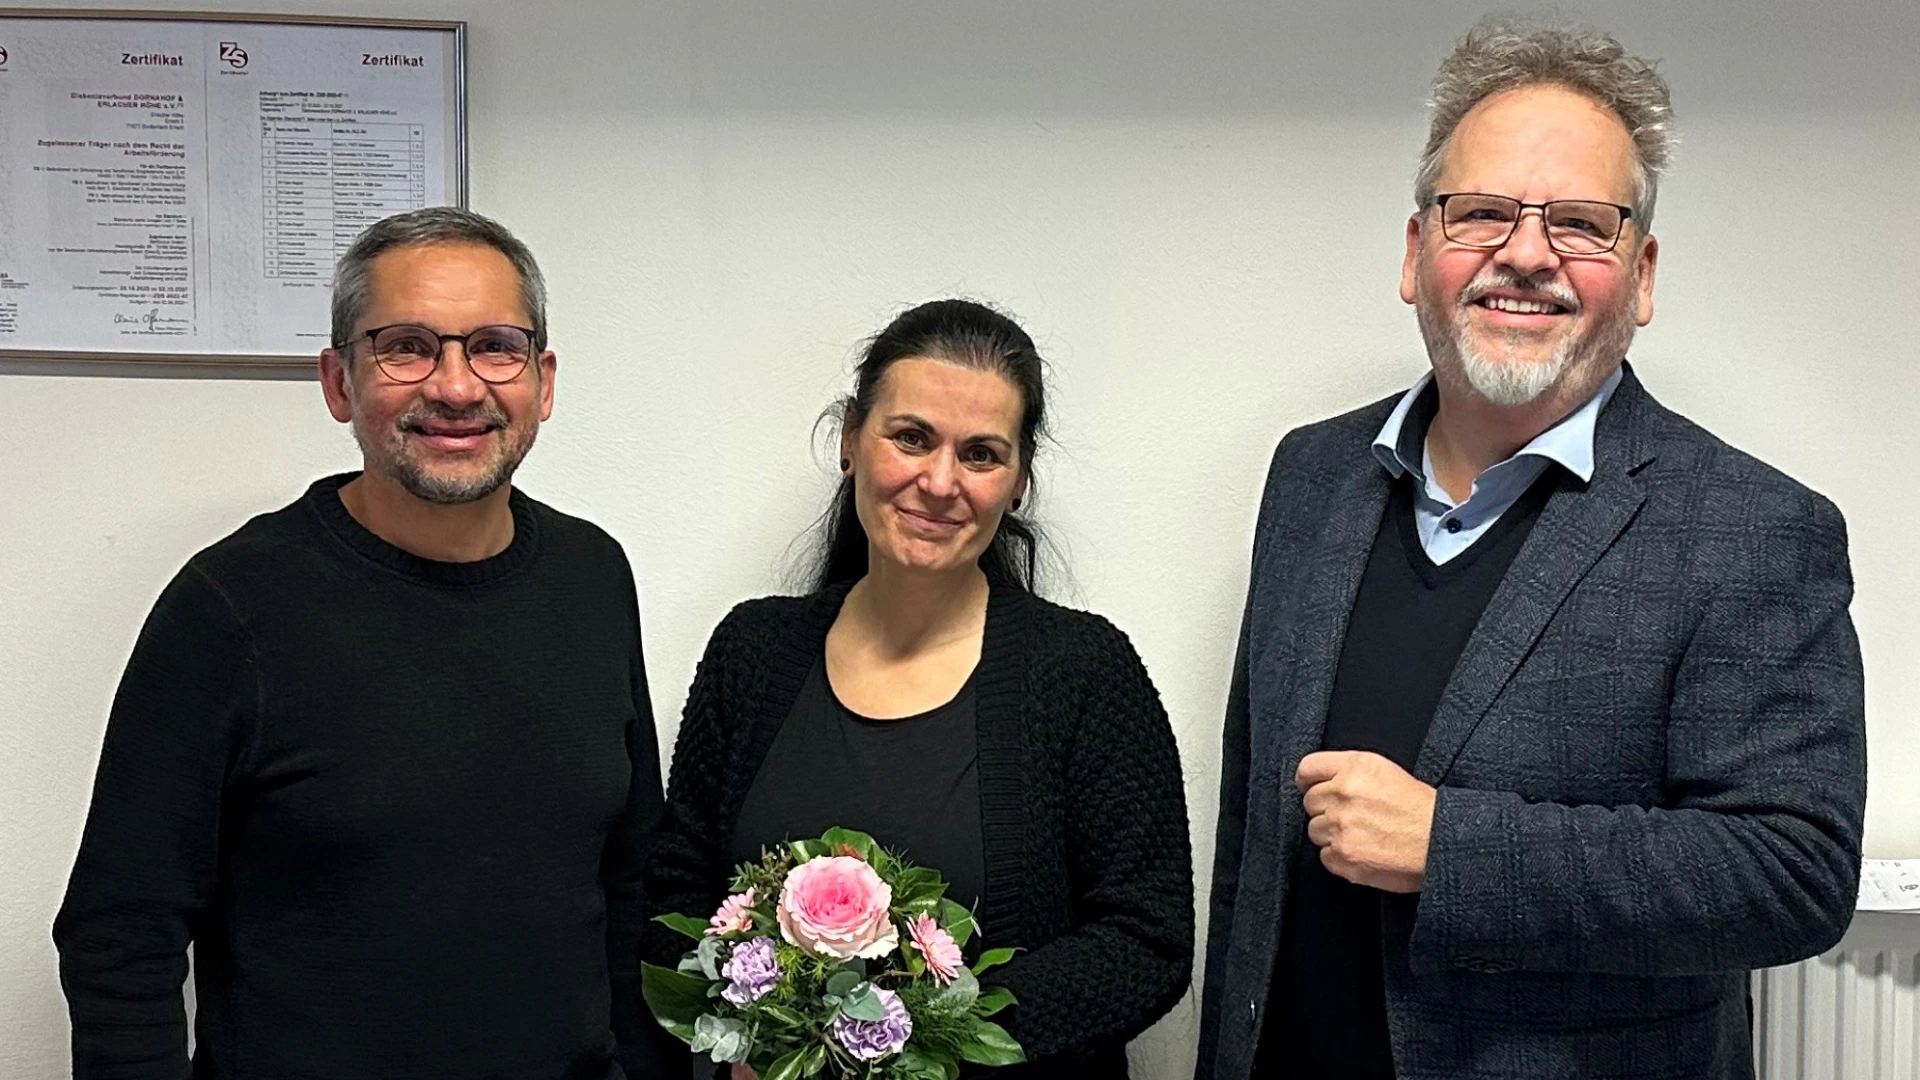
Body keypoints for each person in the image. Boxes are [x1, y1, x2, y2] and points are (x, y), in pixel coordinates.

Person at [1197, 17, 1866, 1080]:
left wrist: (1452, 851)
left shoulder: (1753, 530)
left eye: (1581, 225)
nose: (1523, 253)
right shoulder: (1310, 476)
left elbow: (1793, 877)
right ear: (1418, 253)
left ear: (1640, 277)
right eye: (1484, 213)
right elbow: (1253, 847)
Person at [54, 207, 674, 1079]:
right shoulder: (231, 607)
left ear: (543, 380)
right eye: (406, 346)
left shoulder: (592, 574)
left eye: (495, 346)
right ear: (339, 382)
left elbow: (629, 877)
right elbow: (121, 935)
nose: (456, 387)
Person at [645, 299, 1193, 1078]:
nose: (939, 482)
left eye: (981, 454)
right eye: (910, 438)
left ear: (1018, 482)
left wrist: (916, 1040)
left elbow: (1148, 940)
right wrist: (761, 1028)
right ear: (850, 443)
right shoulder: (753, 652)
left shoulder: (1084, 672)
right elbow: (675, 890)